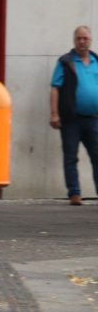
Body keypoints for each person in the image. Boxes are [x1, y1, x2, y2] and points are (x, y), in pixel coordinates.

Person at [51, 26, 98, 205]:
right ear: (74, 40)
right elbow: (55, 88)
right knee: (70, 157)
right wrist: (54, 114)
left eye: (85, 38)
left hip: (93, 119)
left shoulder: (96, 61)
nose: (82, 41)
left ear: (90, 40)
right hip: (71, 118)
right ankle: (74, 194)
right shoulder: (65, 61)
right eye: (79, 38)